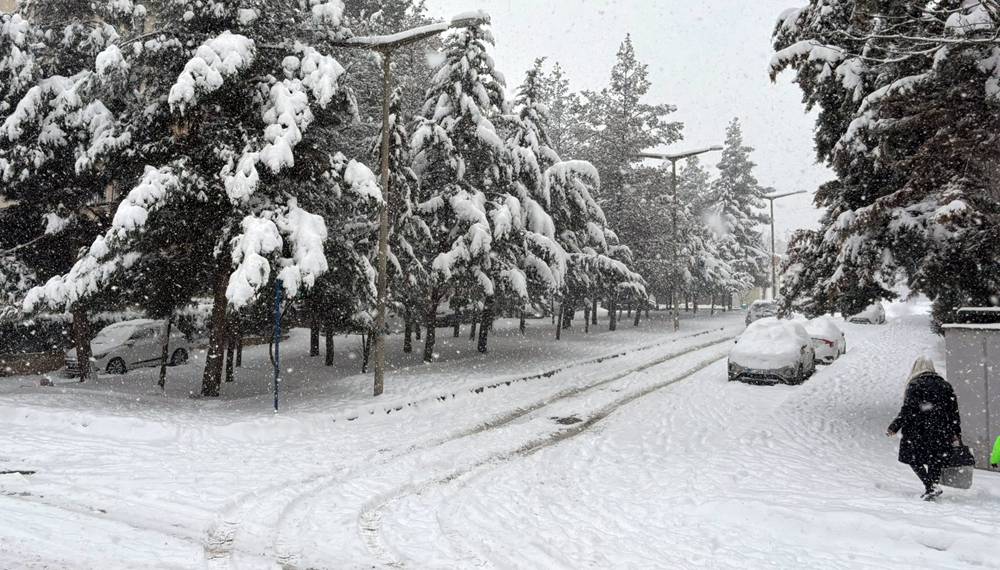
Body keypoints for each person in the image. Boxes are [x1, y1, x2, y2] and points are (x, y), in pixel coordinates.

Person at [886, 356, 963, 501]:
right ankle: (932, 486)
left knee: (911, 457)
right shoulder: (945, 385)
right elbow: (954, 411)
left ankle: (930, 485)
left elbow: (908, 409)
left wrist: (895, 426)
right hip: (942, 429)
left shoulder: (915, 384)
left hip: (917, 429)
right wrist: (956, 432)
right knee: (936, 459)